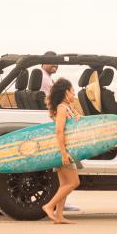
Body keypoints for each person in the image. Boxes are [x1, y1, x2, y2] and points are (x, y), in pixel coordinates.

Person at [38, 52, 80, 213]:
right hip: (63, 150)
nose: (74, 94)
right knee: (73, 182)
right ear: (65, 93)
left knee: (64, 184)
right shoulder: (62, 109)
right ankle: (49, 206)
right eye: (72, 91)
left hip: (63, 150)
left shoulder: (67, 108)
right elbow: (59, 131)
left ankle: (59, 216)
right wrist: (63, 153)